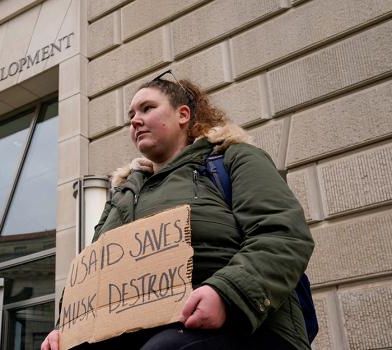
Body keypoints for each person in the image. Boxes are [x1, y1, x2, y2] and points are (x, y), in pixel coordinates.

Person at [41, 71, 314, 350]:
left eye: (147, 108)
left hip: (242, 326)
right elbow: (92, 273)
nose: (135, 120)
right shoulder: (122, 195)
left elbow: (283, 234)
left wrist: (227, 295)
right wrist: (65, 329)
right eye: (131, 115)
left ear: (183, 115)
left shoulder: (233, 159)